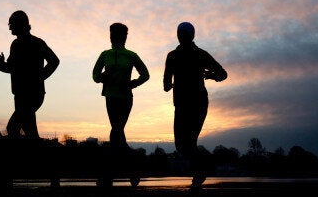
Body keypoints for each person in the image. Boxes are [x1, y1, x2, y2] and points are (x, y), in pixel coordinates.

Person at [163, 22, 227, 187]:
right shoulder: (190, 55)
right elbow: (222, 74)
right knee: (183, 144)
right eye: (182, 34)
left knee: (188, 142)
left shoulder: (180, 55)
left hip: (195, 103)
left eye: (183, 34)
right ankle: (202, 169)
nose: (182, 37)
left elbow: (222, 73)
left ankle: (199, 174)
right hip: (186, 104)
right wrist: (212, 75)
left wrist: (170, 85)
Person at [0, 10, 59, 139]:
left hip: (33, 94)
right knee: (29, 131)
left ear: (20, 24)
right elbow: (11, 68)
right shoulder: (15, 45)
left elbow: (54, 61)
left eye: (11, 24)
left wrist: (40, 77)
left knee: (13, 127)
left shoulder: (37, 43)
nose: (10, 27)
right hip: (20, 95)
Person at [92, 22, 150, 151]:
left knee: (118, 127)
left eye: (118, 34)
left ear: (125, 37)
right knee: (117, 128)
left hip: (126, 97)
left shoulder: (131, 55)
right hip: (110, 96)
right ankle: (122, 155)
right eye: (112, 34)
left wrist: (133, 83)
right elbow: (95, 76)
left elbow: (145, 75)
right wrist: (103, 77)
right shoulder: (105, 54)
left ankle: (119, 156)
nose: (114, 37)